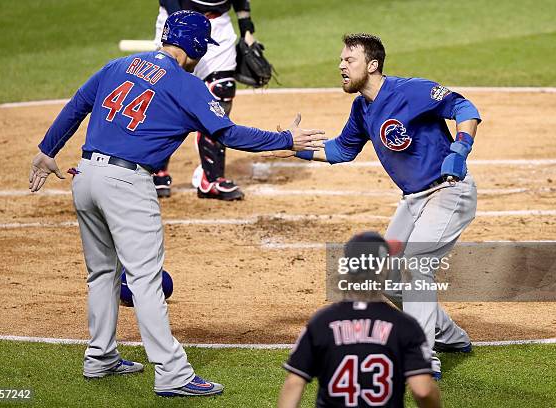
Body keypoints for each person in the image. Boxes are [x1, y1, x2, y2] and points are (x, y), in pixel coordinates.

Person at [28, 11, 325, 397]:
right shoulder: (187, 86)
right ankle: (172, 373)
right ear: (196, 47)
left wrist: (46, 150)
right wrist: (286, 138)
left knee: (102, 273)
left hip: (86, 176)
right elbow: (228, 132)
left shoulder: (118, 65)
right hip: (126, 183)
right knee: (146, 281)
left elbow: (77, 105)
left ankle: (100, 356)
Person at [270, 33, 480, 379]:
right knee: (385, 276)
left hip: (449, 192)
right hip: (414, 200)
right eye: (340, 60)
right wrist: (295, 149)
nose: (341, 65)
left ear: (372, 65)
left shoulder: (410, 91)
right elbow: (341, 151)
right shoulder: (361, 107)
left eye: (348, 60)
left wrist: (460, 149)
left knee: (416, 264)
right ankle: (450, 337)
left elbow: (464, 107)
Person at [278, 231, 441, 408]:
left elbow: (294, 383)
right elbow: (423, 391)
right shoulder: (405, 325)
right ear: (383, 270)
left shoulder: (322, 322)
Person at [152, 0, 258, 200]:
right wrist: (183, 21)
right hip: (178, 23)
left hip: (219, 24)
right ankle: (155, 169)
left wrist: (246, 26)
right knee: (165, 92)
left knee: (222, 90)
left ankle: (211, 178)